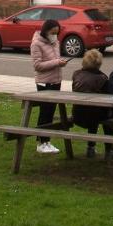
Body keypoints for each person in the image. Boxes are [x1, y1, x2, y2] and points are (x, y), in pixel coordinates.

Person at [30, 17, 70, 155]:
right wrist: (56, 63)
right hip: (44, 82)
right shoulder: (36, 44)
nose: (55, 36)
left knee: (51, 113)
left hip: (56, 81)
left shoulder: (55, 42)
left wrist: (60, 62)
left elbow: (55, 60)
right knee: (45, 112)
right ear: (46, 31)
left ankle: (47, 141)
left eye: (57, 33)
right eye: (53, 33)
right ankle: (41, 142)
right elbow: (37, 65)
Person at [71, 49, 113, 160]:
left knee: (94, 110)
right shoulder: (103, 78)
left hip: (78, 113)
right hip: (94, 114)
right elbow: (108, 97)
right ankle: (109, 149)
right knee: (106, 116)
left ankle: (91, 147)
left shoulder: (76, 74)